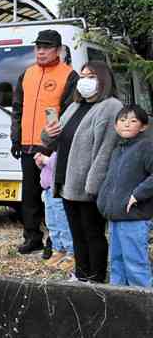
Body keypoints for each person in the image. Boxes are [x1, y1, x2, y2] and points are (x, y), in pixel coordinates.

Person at [41, 61, 122, 283]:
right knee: (77, 233)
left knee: (92, 233)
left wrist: (93, 186)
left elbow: (105, 150)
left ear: (103, 80)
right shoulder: (75, 105)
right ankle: (81, 273)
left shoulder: (110, 106)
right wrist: (48, 132)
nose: (84, 81)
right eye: (83, 76)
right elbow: (54, 138)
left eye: (91, 76)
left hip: (88, 184)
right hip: (67, 180)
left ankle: (95, 277)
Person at [11, 30, 79, 254]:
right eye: (38, 46)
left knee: (53, 197)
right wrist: (16, 138)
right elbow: (18, 109)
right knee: (29, 196)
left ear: (58, 50)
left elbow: (70, 114)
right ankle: (32, 237)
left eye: (47, 47)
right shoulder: (27, 74)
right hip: (28, 145)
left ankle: (55, 240)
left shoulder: (69, 75)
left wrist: (55, 145)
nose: (41, 51)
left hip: (52, 147)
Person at [97, 105, 153, 287]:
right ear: (115, 126)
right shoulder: (118, 150)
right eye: (122, 120)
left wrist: (137, 195)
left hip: (134, 217)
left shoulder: (146, 147)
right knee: (117, 263)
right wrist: (103, 201)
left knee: (136, 264)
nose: (127, 124)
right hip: (115, 216)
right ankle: (118, 305)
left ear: (143, 126)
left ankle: (144, 307)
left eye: (133, 120)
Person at [36, 151, 74, 271]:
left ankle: (71, 253)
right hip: (47, 190)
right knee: (51, 223)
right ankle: (58, 250)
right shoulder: (53, 151)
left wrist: (46, 160)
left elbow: (61, 166)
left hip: (57, 190)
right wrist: (41, 163)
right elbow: (48, 169)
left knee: (62, 223)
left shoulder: (61, 151)